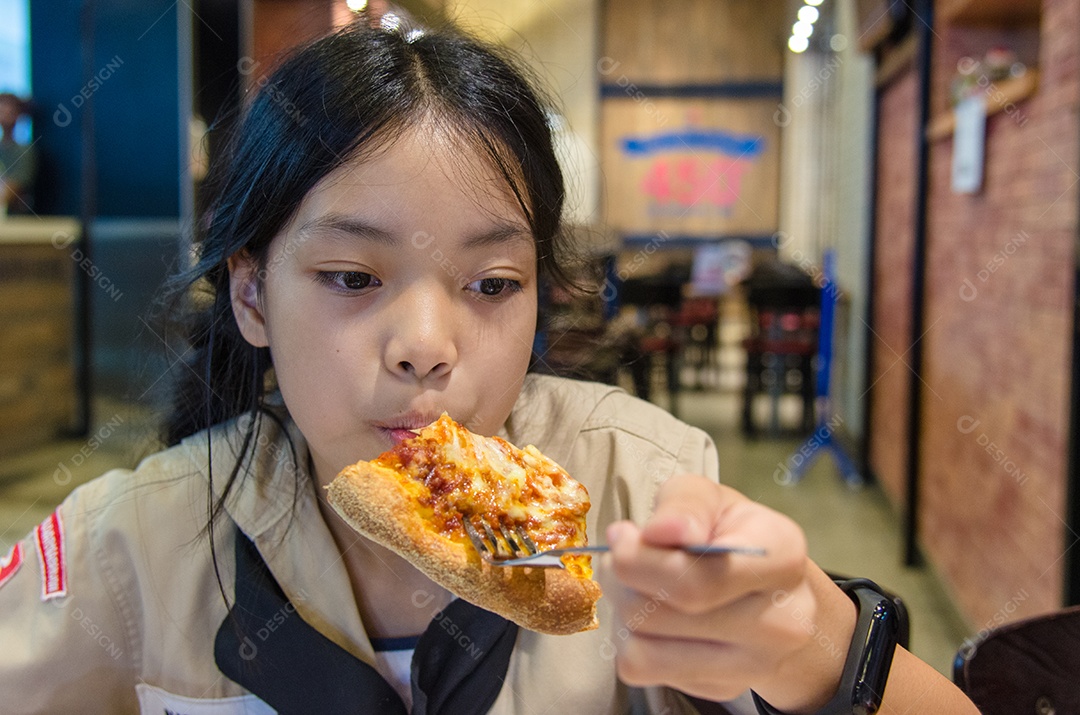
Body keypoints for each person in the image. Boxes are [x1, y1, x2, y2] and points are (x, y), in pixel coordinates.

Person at [0, 19, 978, 715]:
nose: (427, 343)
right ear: (252, 295)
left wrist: (809, 640)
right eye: (352, 275)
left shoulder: (641, 485)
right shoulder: (132, 547)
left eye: (492, 283)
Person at [0, 92, 37, 215]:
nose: (5, 114)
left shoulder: (25, 151)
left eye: (10, 110)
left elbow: (14, 187)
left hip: (15, 220)